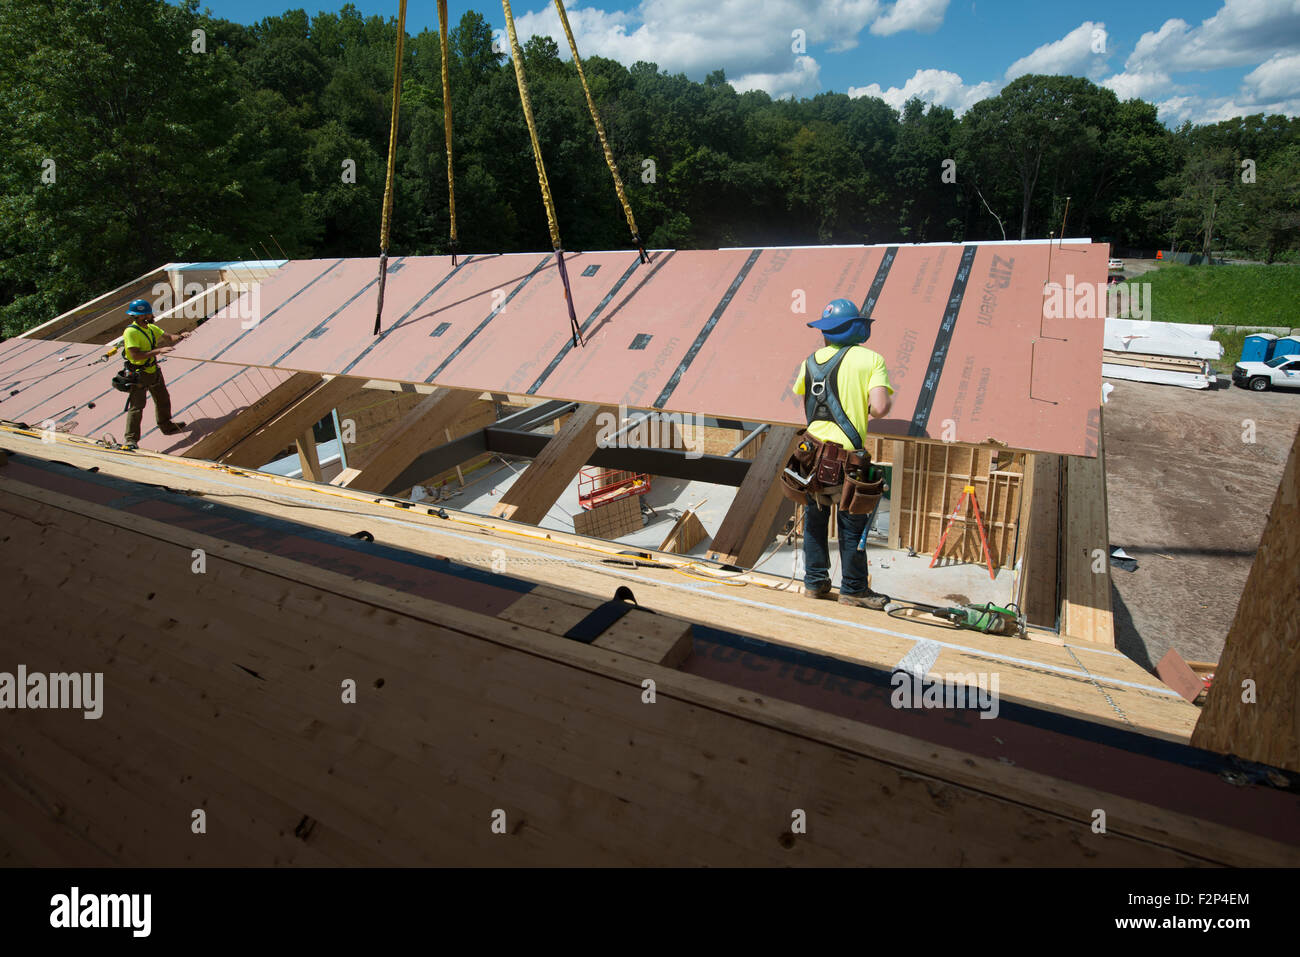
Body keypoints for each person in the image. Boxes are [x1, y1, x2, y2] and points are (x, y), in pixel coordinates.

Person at [791, 298, 894, 608]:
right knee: (852, 525)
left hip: (811, 456)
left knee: (815, 521)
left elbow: (805, 400)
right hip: (848, 460)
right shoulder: (872, 360)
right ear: (856, 329)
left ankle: (814, 583)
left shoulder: (810, 361)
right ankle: (853, 589)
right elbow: (880, 407)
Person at [121, 299, 190, 450]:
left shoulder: (150, 327)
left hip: (153, 370)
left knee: (163, 399)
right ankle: (131, 439)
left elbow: (168, 337)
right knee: (137, 407)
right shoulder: (131, 332)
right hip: (139, 374)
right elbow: (136, 355)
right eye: (148, 313)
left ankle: (166, 426)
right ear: (140, 316)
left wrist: (180, 336)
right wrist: (159, 351)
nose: (151, 315)